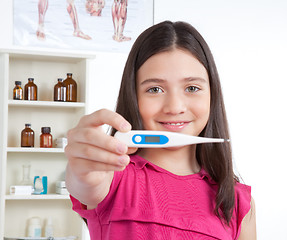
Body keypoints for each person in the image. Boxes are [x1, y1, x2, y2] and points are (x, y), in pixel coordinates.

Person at [65, 21, 256, 240]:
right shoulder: (110, 178)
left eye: (192, 88)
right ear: (134, 97)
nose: (175, 107)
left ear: (212, 96)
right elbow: (84, 183)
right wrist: (82, 169)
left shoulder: (239, 201)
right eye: (154, 89)